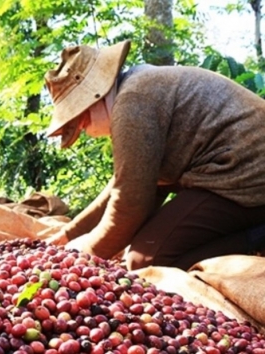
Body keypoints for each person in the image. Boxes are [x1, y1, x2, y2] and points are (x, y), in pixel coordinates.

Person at [44, 40, 265, 271]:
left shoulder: (133, 102)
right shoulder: (137, 88)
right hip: (235, 173)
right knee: (144, 250)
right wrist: (69, 235)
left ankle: (258, 237)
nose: (83, 129)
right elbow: (124, 186)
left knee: (148, 261)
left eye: (80, 118)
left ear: (96, 95)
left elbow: (129, 206)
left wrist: (82, 258)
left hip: (246, 176)